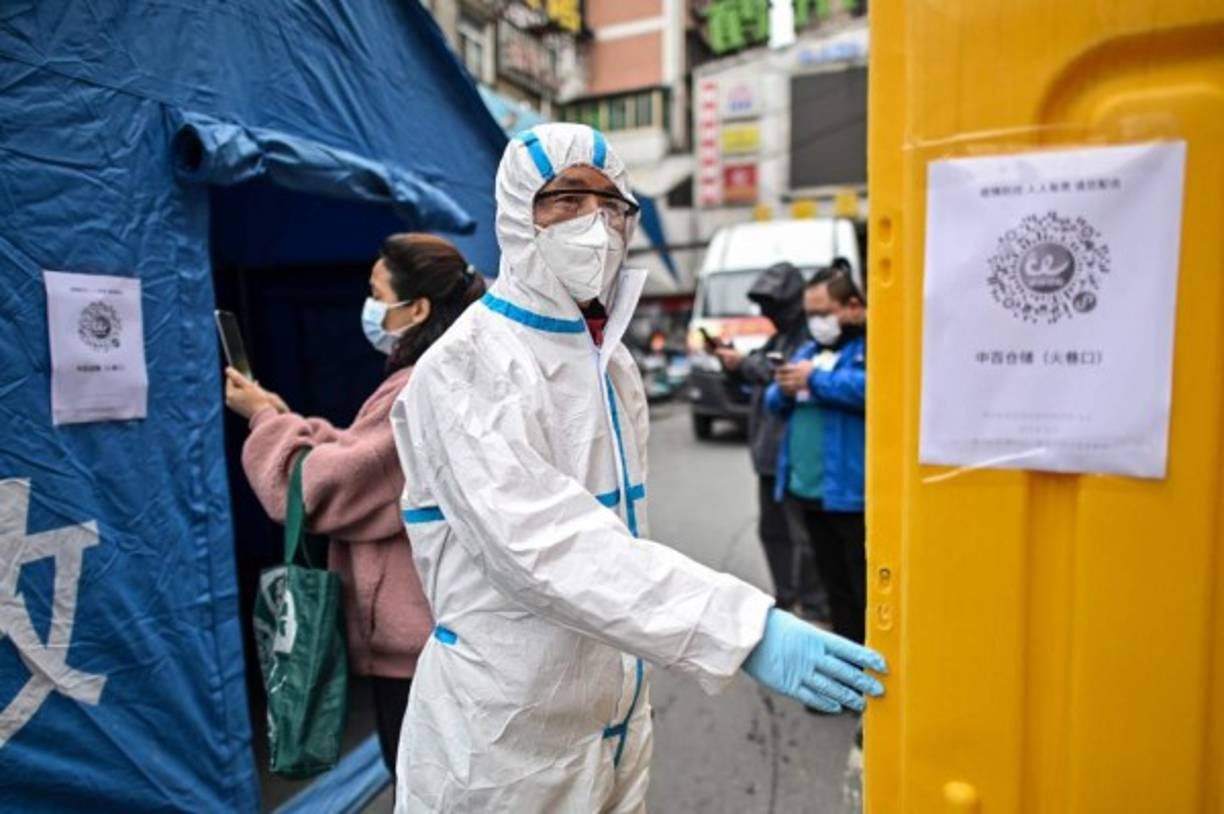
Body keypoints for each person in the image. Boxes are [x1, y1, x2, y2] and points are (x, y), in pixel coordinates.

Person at [388, 123, 886, 812]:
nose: (594, 223)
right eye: (566, 199)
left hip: (615, 714)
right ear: (516, 212)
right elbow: (541, 543)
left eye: (612, 204)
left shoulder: (612, 362)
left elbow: (618, 550)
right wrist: (737, 626)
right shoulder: (467, 364)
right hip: (503, 737)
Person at [223, 233, 486, 775]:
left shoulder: (421, 388)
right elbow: (372, 462)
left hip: (425, 661)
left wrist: (264, 422)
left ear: (416, 308)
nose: (368, 307)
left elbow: (316, 490)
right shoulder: (451, 375)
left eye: (376, 292)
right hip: (444, 645)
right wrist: (285, 417)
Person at [714, 263, 829, 622]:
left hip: (793, 452)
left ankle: (813, 603)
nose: (767, 312)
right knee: (774, 530)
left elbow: (777, 373)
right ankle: (788, 595)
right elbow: (760, 370)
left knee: (804, 535)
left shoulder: (807, 335)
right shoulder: (780, 336)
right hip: (769, 452)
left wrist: (744, 364)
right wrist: (735, 366)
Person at [767, 262, 867, 644]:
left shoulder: (869, 347)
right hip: (809, 491)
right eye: (810, 314)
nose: (817, 322)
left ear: (853, 306)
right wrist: (786, 385)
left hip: (851, 494)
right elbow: (776, 404)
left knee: (863, 590)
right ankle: (848, 673)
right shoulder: (810, 349)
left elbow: (874, 391)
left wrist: (815, 379)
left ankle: (873, 678)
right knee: (833, 588)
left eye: (824, 312)